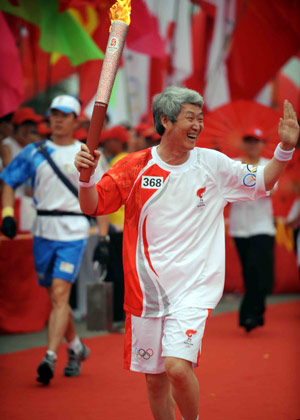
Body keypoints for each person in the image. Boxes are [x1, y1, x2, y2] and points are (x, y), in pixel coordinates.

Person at [74, 86, 299, 420]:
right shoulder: (134, 167)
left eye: (200, 118)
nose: (198, 125)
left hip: (194, 287)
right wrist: (86, 178)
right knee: (155, 380)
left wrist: (284, 149)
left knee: (177, 368)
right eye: (190, 117)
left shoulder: (213, 164)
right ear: (166, 120)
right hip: (147, 292)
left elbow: (262, 182)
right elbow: (93, 205)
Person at [0, 94, 105, 385]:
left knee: (60, 293)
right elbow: (8, 180)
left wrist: (105, 237)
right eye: (54, 114)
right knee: (55, 295)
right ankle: (76, 347)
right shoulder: (35, 151)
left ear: (76, 120)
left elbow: (102, 192)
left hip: (73, 228)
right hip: (42, 228)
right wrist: (7, 213)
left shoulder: (87, 152)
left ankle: (50, 356)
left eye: (64, 114)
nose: (57, 119)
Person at [228, 128, 276, 332]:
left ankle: (248, 315)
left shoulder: (269, 165)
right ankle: (257, 312)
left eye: (256, 141)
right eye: (249, 141)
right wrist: (253, 186)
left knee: (257, 269)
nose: (252, 145)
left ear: (262, 144)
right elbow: (230, 189)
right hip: (240, 227)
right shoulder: (234, 164)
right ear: (243, 144)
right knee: (248, 272)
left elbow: (270, 188)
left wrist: (247, 187)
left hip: (262, 226)